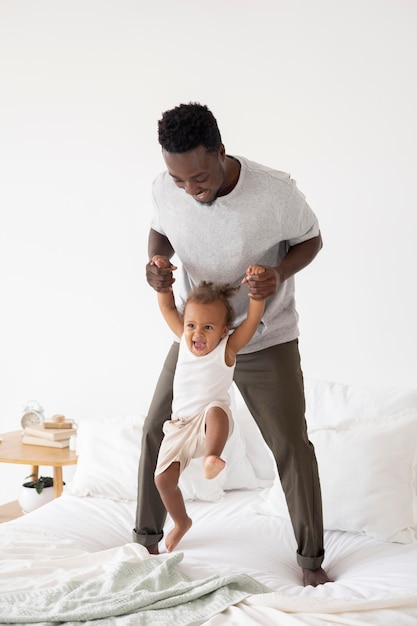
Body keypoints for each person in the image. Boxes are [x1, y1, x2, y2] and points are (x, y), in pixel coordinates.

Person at [133, 102, 330, 587]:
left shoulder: (274, 191)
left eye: (198, 177)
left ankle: (311, 563)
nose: (190, 190)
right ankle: (144, 541)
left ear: (221, 151)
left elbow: (312, 239)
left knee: (290, 445)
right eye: (179, 181)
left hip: (265, 336)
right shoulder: (167, 188)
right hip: (199, 336)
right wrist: (156, 263)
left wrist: (279, 274)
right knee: (157, 425)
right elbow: (161, 230)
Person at [151, 255, 266, 552]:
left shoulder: (227, 349)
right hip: (179, 427)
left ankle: (212, 458)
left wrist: (256, 295)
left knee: (216, 409)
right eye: (191, 325)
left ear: (224, 330)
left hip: (210, 425)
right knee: (163, 480)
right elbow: (166, 306)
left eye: (207, 328)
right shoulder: (185, 341)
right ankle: (180, 522)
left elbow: (252, 321)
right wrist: (163, 278)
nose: (197, 334)